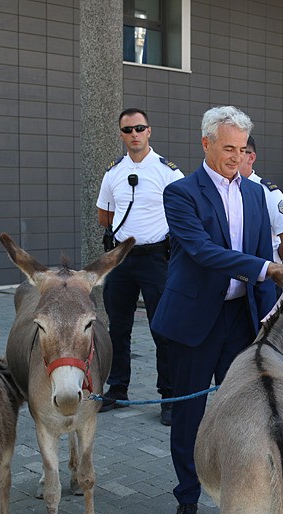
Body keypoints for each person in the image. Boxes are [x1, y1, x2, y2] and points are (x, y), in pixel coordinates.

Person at [150, 106, 283, 514]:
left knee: (246, 413)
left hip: (242, 322)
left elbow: (262, 253)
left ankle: (244, 493)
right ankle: (187, 499)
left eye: (242, 149)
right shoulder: (181, 193)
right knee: (190, 414)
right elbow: (204, 253)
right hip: (194, 322)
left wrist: (269, 319)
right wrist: (271, 269)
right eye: (228, 148)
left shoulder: (257, 194)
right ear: (205, 143)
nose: (236, 157)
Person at [96, 108, 184, 426]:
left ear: (150, 131)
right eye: (127, 129)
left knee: (162, 329)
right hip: (121, 259)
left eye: (139, 128)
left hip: (156, 260)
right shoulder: (114, 172)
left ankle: (169, 397)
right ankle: (117, 390)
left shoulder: (167, 172)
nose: (134, 134)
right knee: (117, 329)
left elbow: (185, 214)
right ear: (121, 135)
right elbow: (104, 215)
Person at [239, 135, 283, 264]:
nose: (232, 157)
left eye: (240, 151)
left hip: (264, 274)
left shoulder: (267, 192)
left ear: (251, 157)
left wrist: (271, 258)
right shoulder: (224, 190)